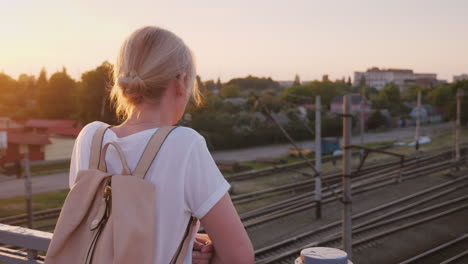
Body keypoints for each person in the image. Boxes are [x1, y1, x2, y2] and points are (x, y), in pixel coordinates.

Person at [69, 26, 254, 264]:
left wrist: (183, 242)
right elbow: (239, 257)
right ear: (180, 82)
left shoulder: (91, 138)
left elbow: (103, 228)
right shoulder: (184, 144)